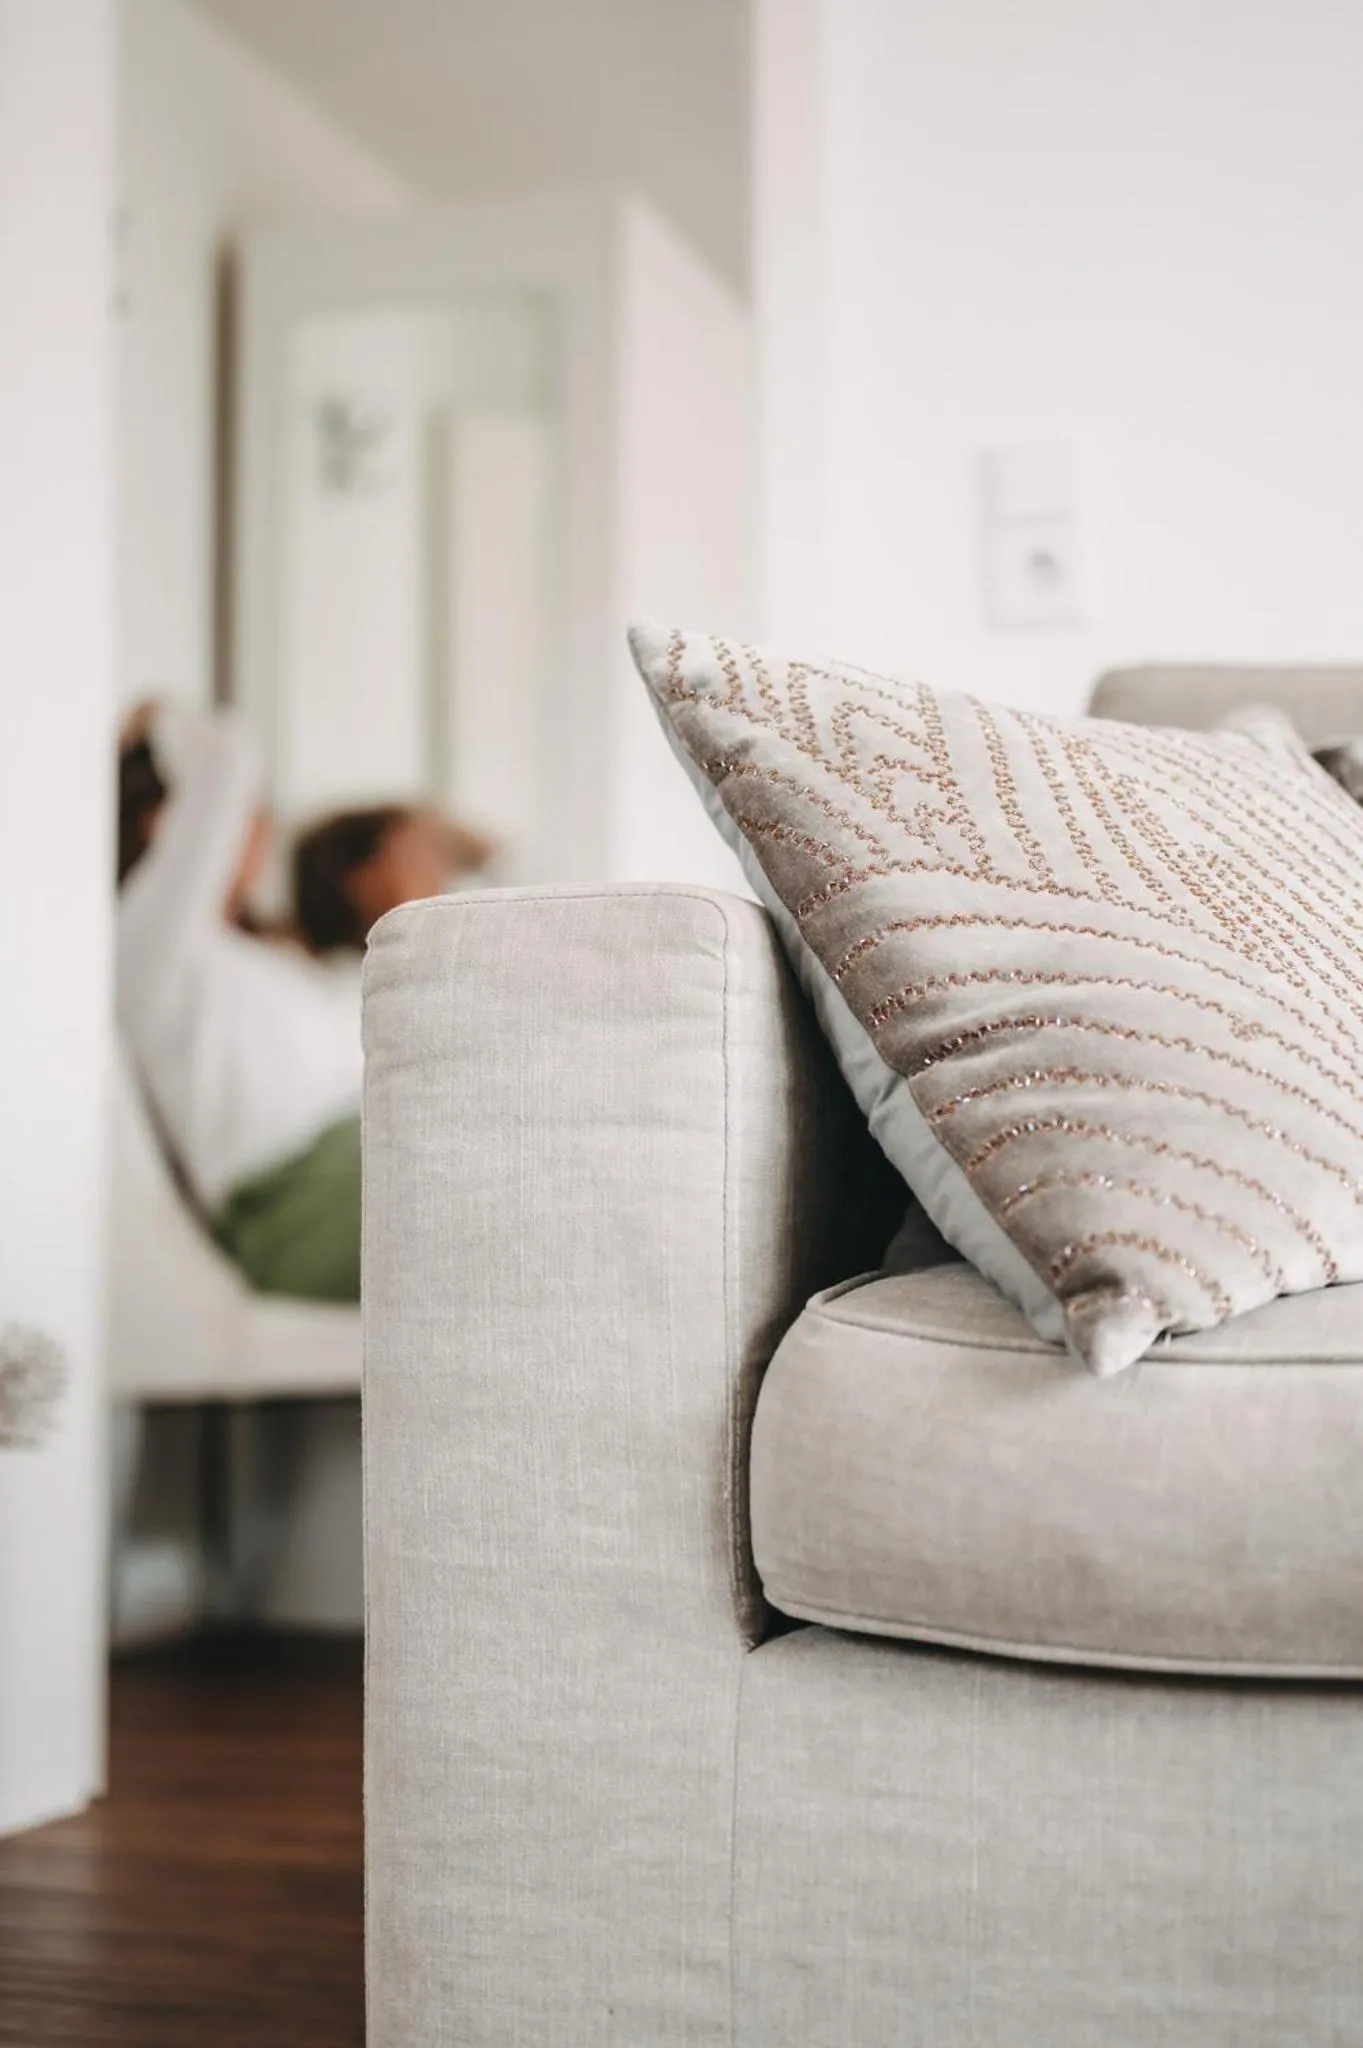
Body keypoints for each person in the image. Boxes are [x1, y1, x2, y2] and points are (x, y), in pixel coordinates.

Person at [118, 703, 484, 1305]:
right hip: (287, 1207)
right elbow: (228, 758)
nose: (263, 835)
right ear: (168, 826)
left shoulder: (274, 963)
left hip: (360, 1159)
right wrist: (161, 717)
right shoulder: (153, 944)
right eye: (249, 818)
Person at [292, 804, 494, 956]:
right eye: (415, 856)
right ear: (361, 884)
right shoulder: (336, 992)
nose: (439, 872)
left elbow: (489, 850)